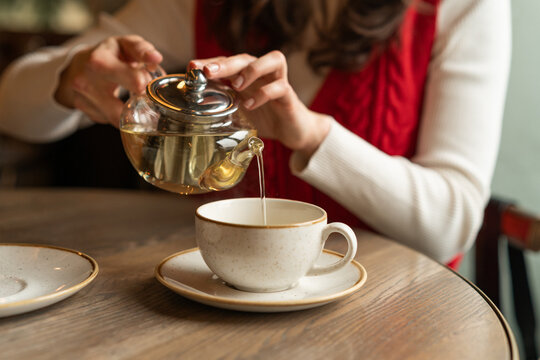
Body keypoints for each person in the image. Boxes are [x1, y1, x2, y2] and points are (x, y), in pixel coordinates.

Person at [0, 0, 511, 268]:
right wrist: (71, 78)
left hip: (392, 313)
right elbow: (12, 108)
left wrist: (309, 134)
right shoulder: (206, 4)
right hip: (223, 296)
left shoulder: (458, 7)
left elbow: (452, 222)